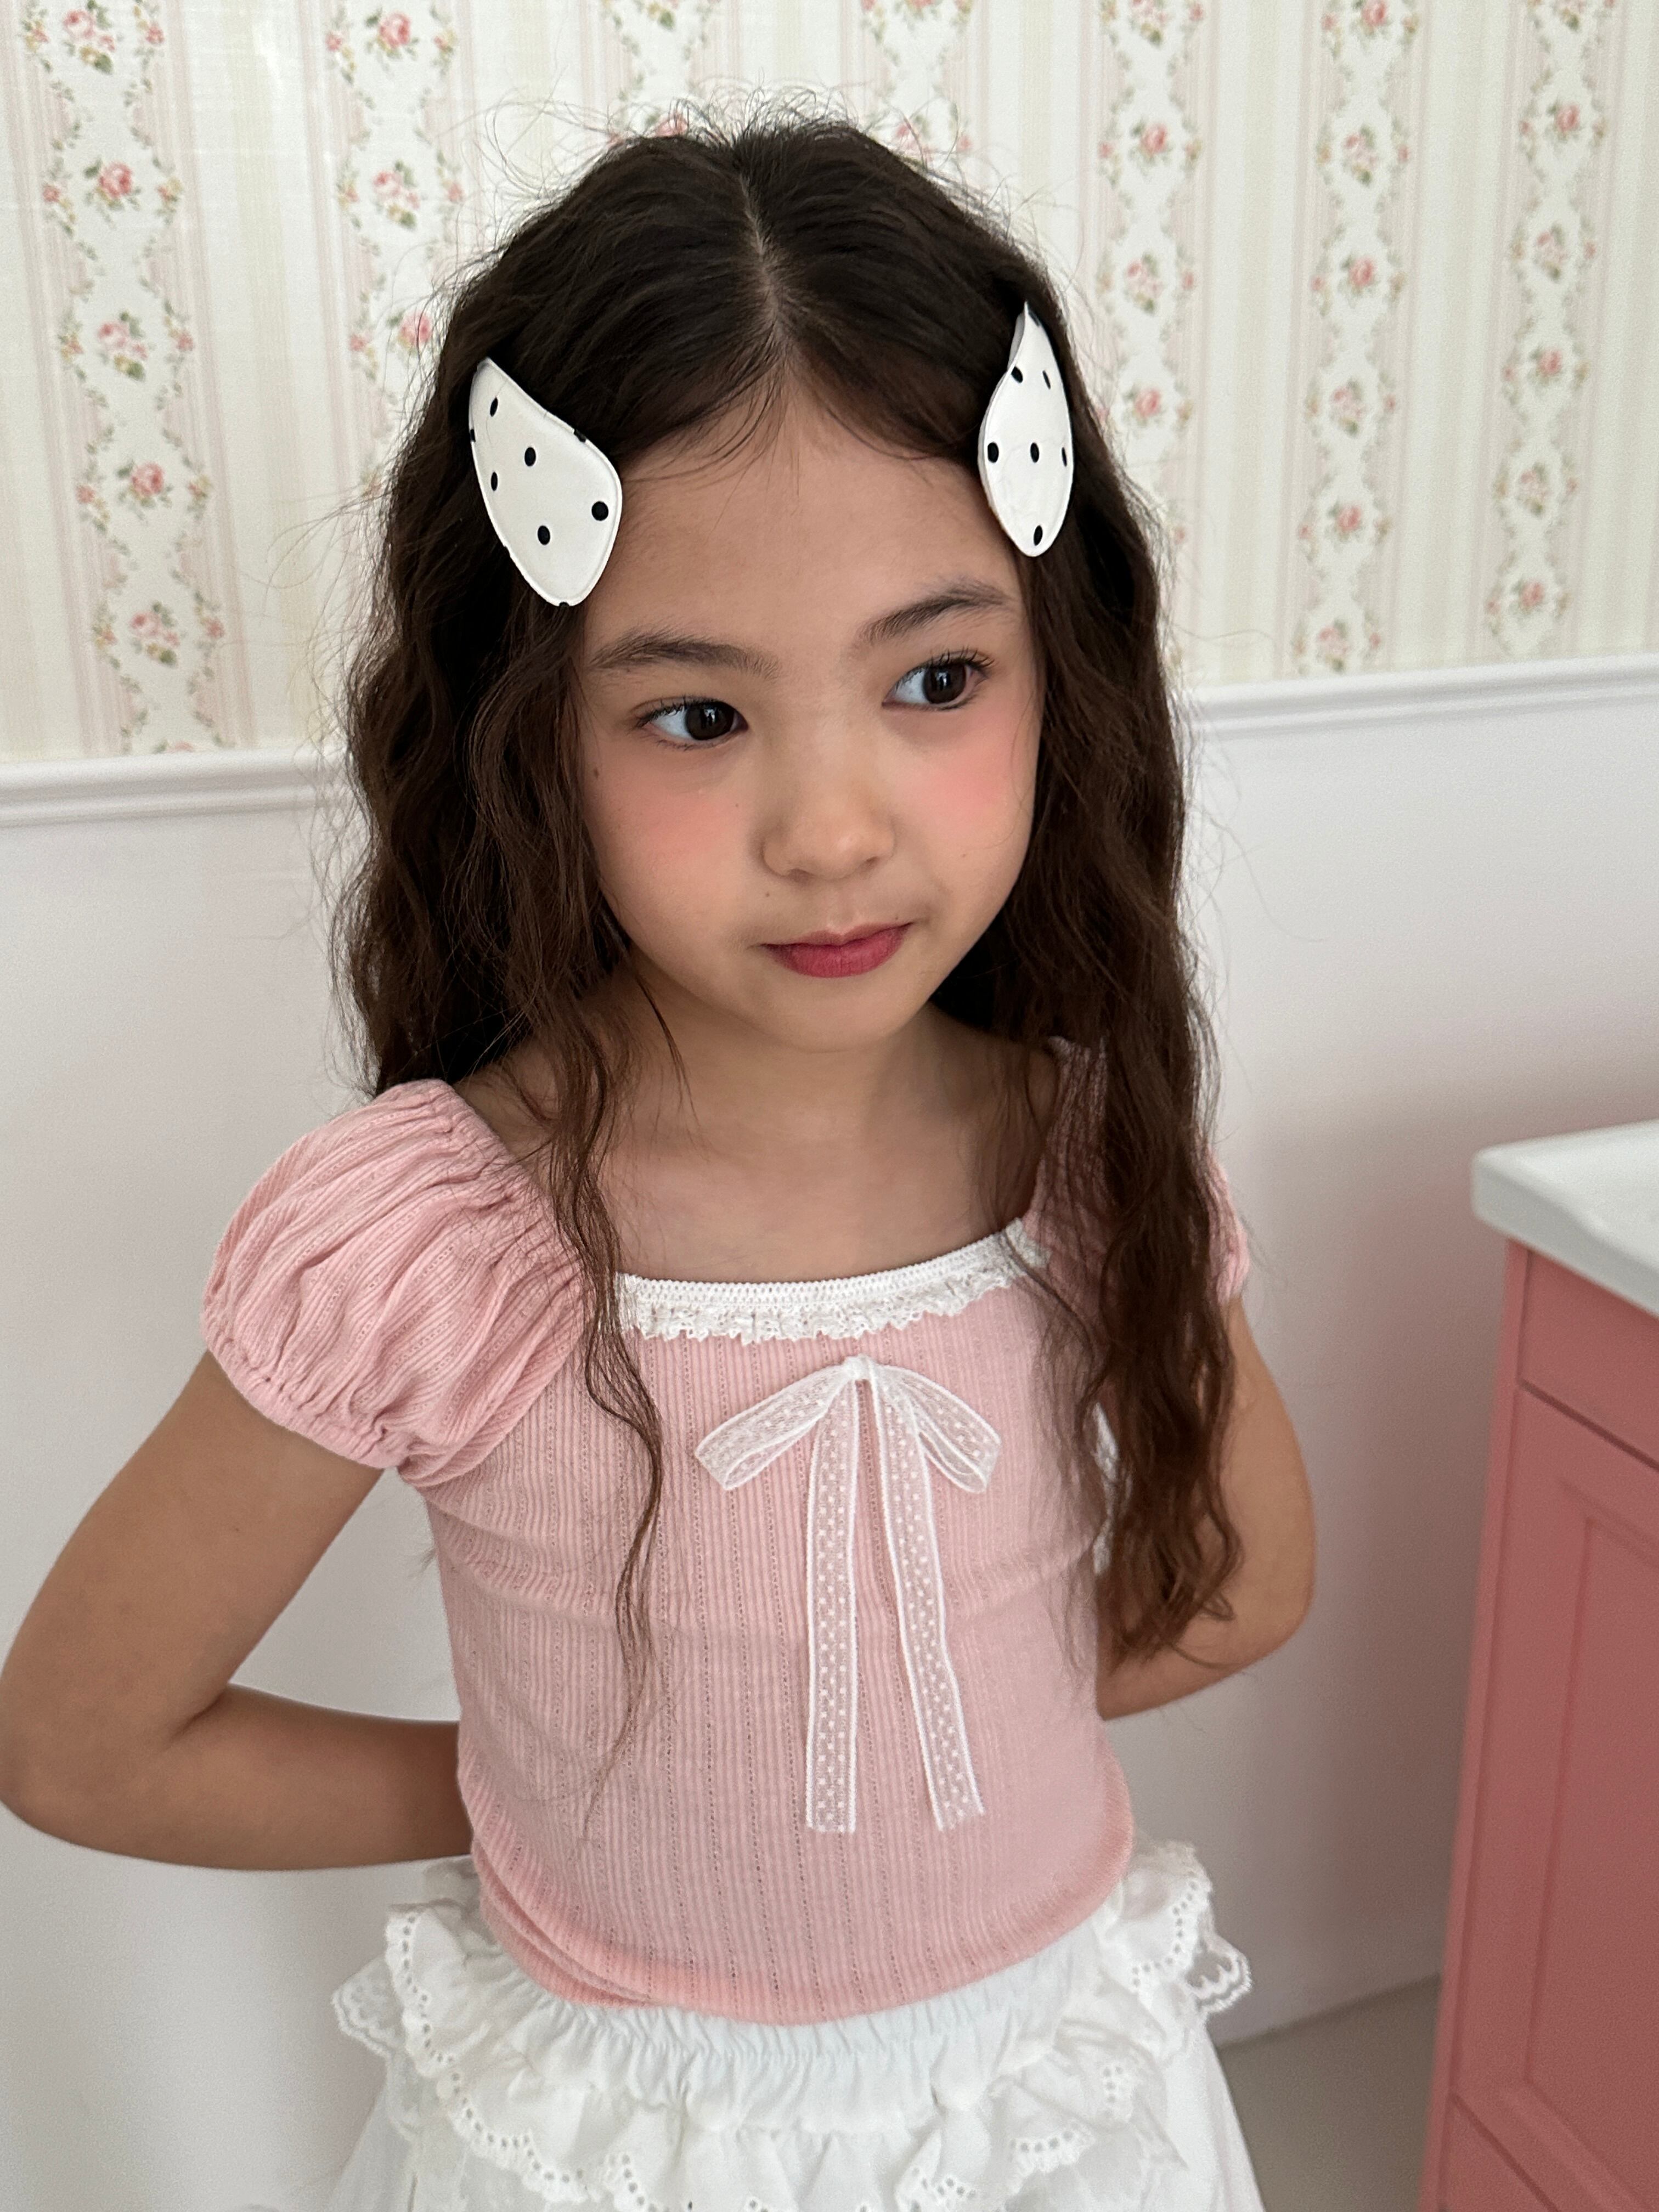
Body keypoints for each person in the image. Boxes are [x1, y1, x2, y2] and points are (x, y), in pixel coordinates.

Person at [0, 106, 1315, 2212]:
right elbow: (83, 1739)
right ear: (529, 732)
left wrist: (958, 1722)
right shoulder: (437, 1238)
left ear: (1058, 677)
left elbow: (1244, 1579)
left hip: (1061, 2102)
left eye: (938, 678)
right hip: (622, 2139)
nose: (833, 827)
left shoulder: (1092, 1150)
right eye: (698, 716)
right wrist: (551, 1794)